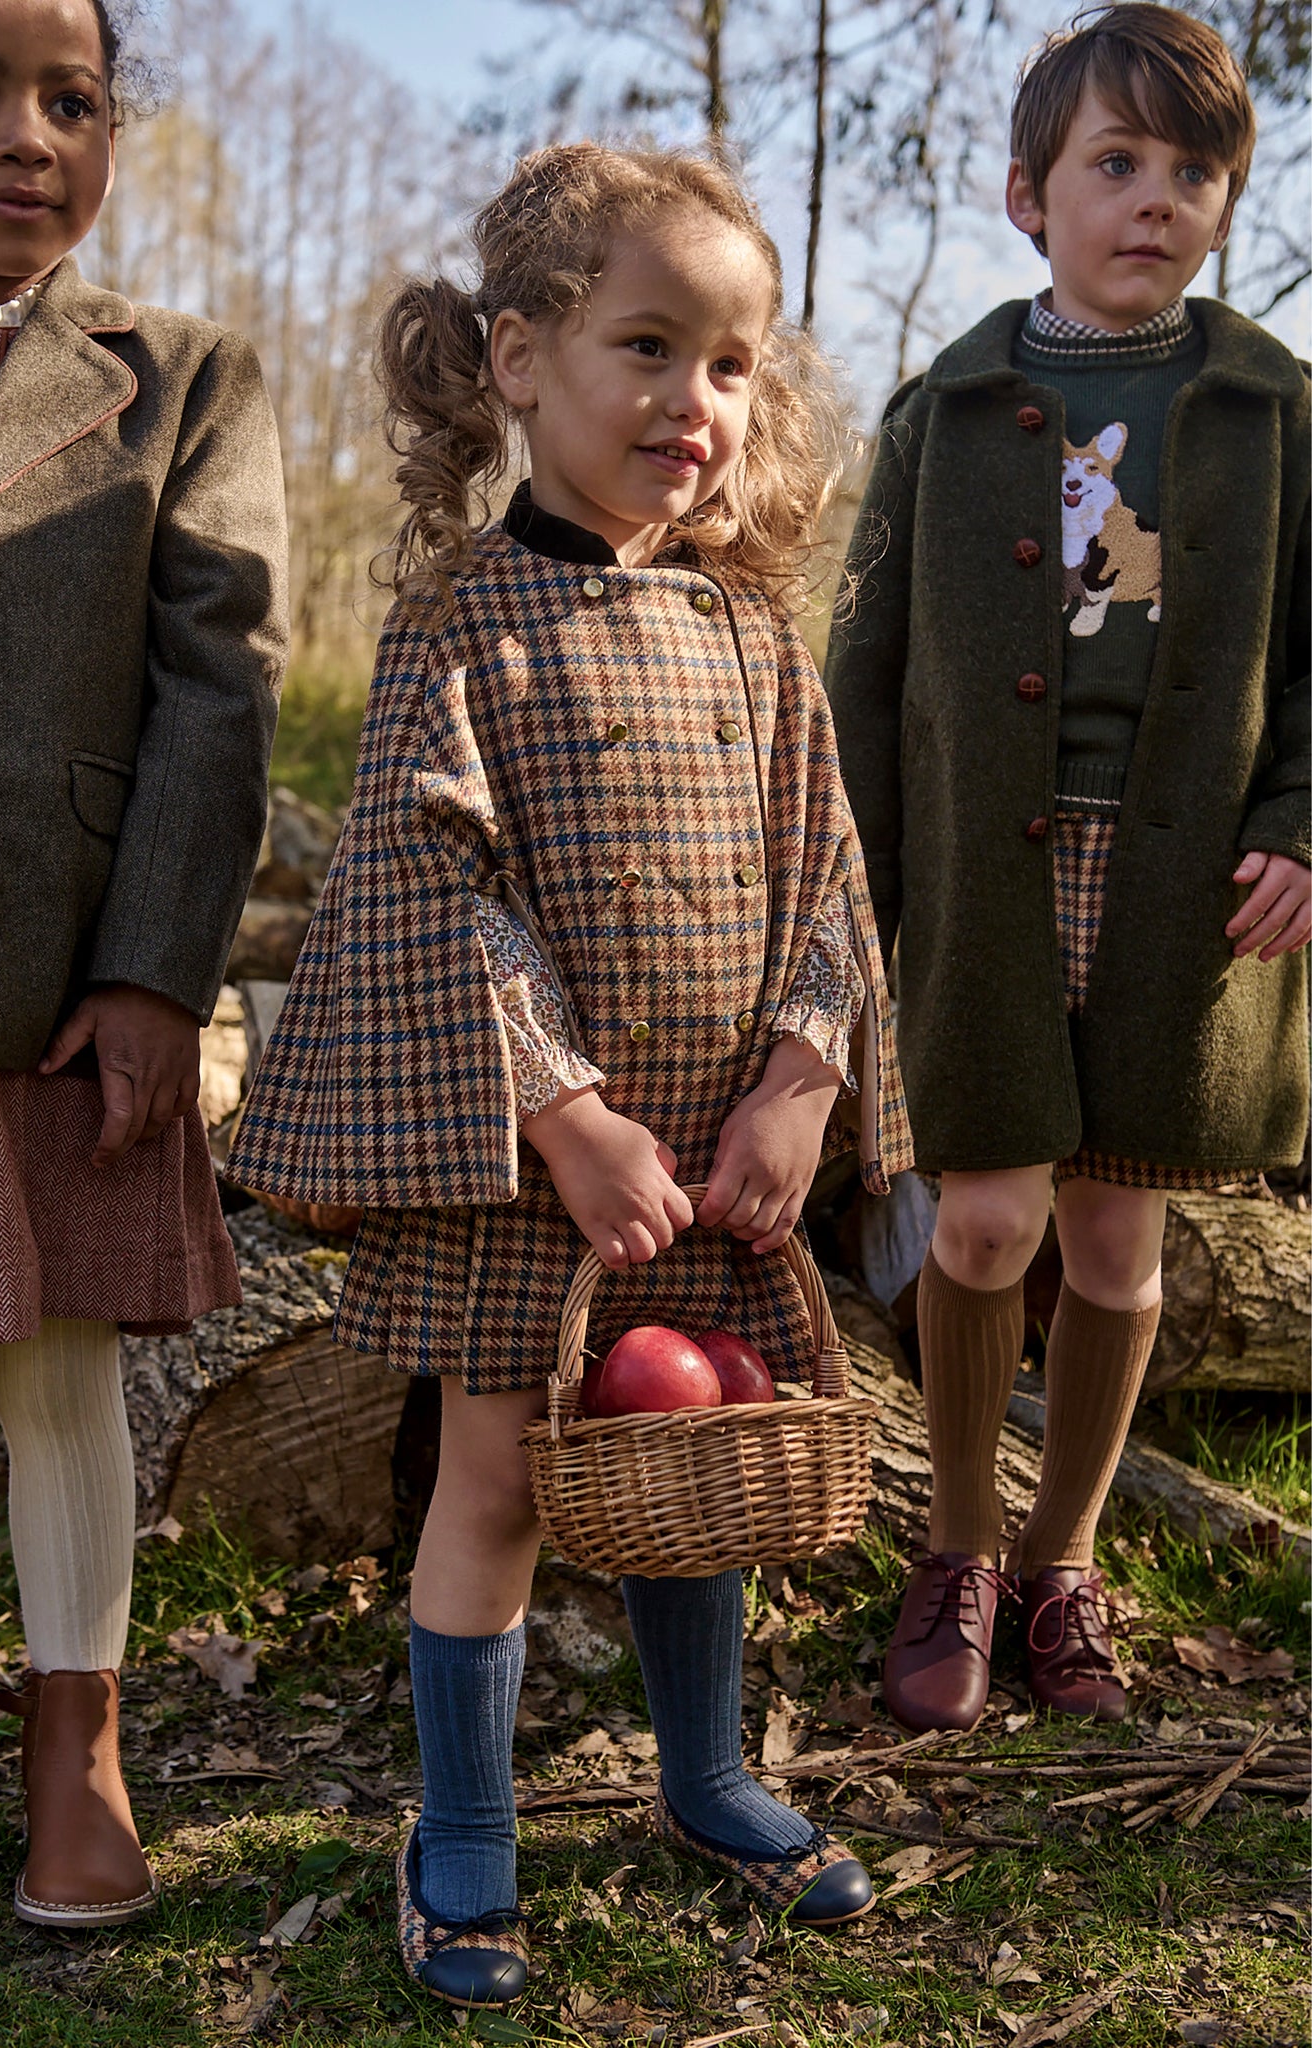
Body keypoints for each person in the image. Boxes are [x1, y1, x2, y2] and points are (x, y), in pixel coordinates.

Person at [230, 142, 912, 2009]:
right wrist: (564, 1110)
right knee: (499, 1480)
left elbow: (828, 881)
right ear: (518, 357)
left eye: (730, 364)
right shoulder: (462, 623)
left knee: (697, 1453)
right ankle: (462, 1826)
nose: (692, 402)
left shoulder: (756, 638)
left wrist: (798, 1080)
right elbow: (433, 884)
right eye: (646, 345)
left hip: (719, 1163)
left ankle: (703, 1774)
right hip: (527, 1170)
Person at [826, 2, 1308, 1737]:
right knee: (978, 1213)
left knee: (1113, 1240)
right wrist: (847, 902)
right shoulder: (944, 408)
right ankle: (952, 1554)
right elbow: (863, 677)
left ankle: (1060, 1561)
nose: (1155, 198)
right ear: (1029, 192)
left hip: (1188, 882)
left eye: (1195, 170)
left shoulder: (1272, 406)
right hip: (980, 874)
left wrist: (1301, 824)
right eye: (1116, 163)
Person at [0, 0, 288, 1925]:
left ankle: (76, 1737)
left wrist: (162, 970)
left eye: (71, 101)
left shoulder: (175, 376)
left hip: (71, 970)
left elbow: (218, 691)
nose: (26, 136)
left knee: (63, 1367)